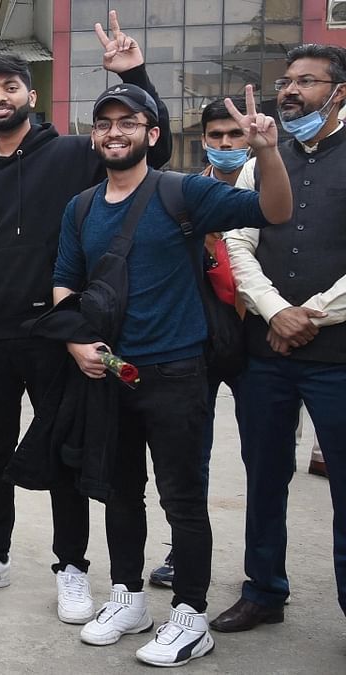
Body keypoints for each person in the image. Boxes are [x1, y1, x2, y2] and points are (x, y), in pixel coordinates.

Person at [0, 11, 171, 626]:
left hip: (54, 332)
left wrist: (134, 74)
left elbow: (157, 145)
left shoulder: (72, 153)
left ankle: (72, 568)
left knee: (63, 453)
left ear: (30, 96)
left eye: (9, 87)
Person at [53, 83, 289, 667]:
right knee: (119, 492)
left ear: (151, 135)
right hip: (111, 373)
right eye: (104, 122)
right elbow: (65, 281)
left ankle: (190, 614)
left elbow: (276, 211)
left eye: (128, 122)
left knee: (182, 498)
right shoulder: (80, 207)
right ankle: (128, 596)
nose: (114, 132)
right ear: (93, 135)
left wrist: (267, 152)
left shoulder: (182, 191)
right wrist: (78, 342)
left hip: (177, 371)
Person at [217, 43, 346, 631]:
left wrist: (309, 316)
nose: (290, 91)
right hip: (265, 353)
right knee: (264, 476)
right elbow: (238, 244)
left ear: (339, 92)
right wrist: (273, 311)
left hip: (337, 356)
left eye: (307, 82)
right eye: (287, 81)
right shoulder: (263, 157)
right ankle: (263, 590)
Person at [146, 96, 250, 588]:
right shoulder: (185, 193)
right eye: (217, 137)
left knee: (266, 462)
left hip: (267, 338)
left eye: (236, 136)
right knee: (191, 455)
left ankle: (265, 571)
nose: (226, 145)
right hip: (202, 340)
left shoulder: (269, 189)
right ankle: (181, 553)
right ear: (204, 141)